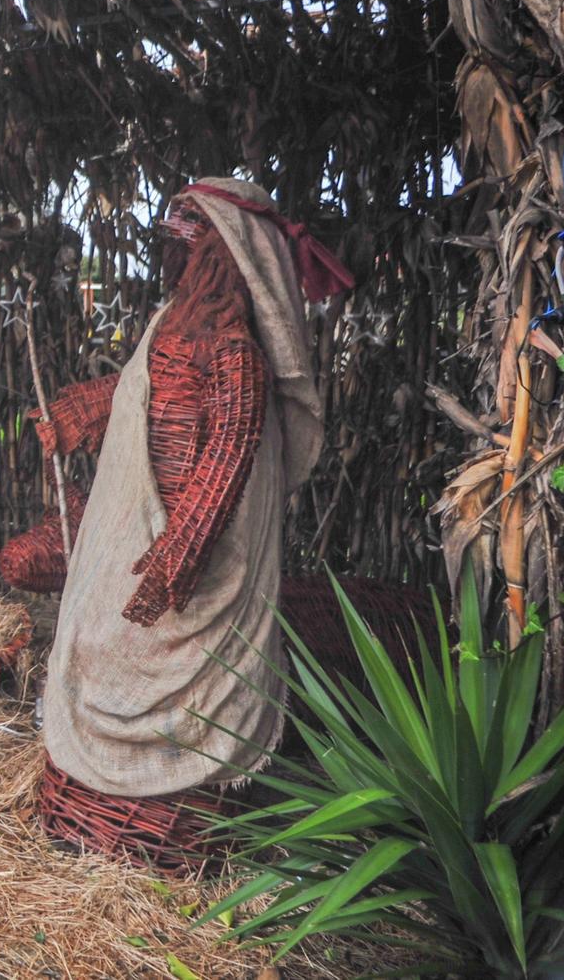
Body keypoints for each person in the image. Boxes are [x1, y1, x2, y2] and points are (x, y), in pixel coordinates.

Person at [38, 177, 350, 866]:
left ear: (225, 246)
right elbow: (132, 391)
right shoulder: (167, 323)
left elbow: (231, 449)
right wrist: (74, 416)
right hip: (140, 543)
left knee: (166, 667)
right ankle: (87, 803)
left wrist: (181, 552)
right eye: (174, 222)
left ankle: (162, 828)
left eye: (190, 224)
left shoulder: (234, 347)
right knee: (92, 638)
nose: (174, 235)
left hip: (190, 560)